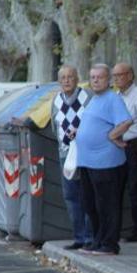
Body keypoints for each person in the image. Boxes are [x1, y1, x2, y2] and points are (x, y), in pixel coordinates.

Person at [76, 63, 132, 256]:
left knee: (107, 204)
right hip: (87, 161)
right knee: (90, 204)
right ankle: (98, 239)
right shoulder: (93, 99)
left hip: (106, 162)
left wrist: (111, 136)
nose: (96, 80)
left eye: (100, 77)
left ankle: (109, 244)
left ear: (108, 80)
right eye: (92, 77)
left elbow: (126, 121)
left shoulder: (112, 99)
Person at [50, 65, 93, 250]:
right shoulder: (56, 100)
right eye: (63, 78)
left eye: (70, 77)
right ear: (59, 81)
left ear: (77, 79)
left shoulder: (88, 97)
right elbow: (55, 126)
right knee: (71, 196)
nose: (66, 80)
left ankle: (91, 237)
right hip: (65, 154)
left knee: (87, 195)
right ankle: (79, 237)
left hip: (86, 154)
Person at [113, 63, 137, 242]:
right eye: (115, 75)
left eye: (120, 75)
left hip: (135, 144)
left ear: (130, 76)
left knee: (135, 188)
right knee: (116, 188)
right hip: (116, 145)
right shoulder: (115, 96)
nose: (117, 78)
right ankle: (115, 229)